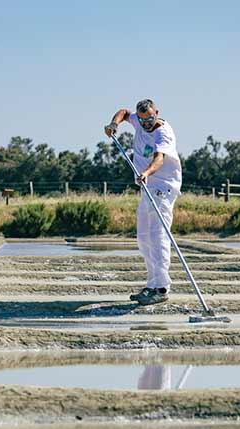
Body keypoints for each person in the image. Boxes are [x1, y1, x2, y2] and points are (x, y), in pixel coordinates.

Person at [104, 99, 182, 305]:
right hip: (147, 188)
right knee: (144, 238)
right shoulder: (138, 121)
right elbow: (123, 112)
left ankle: (162, 288)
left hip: (163, 187)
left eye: (150, 119)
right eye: (142, 120)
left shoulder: (163, 133)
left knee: (158, 237)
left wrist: (146, 172)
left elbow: (159, 159)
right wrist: (114, 124)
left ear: (156, 112)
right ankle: (151, 284)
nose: (146, 123)